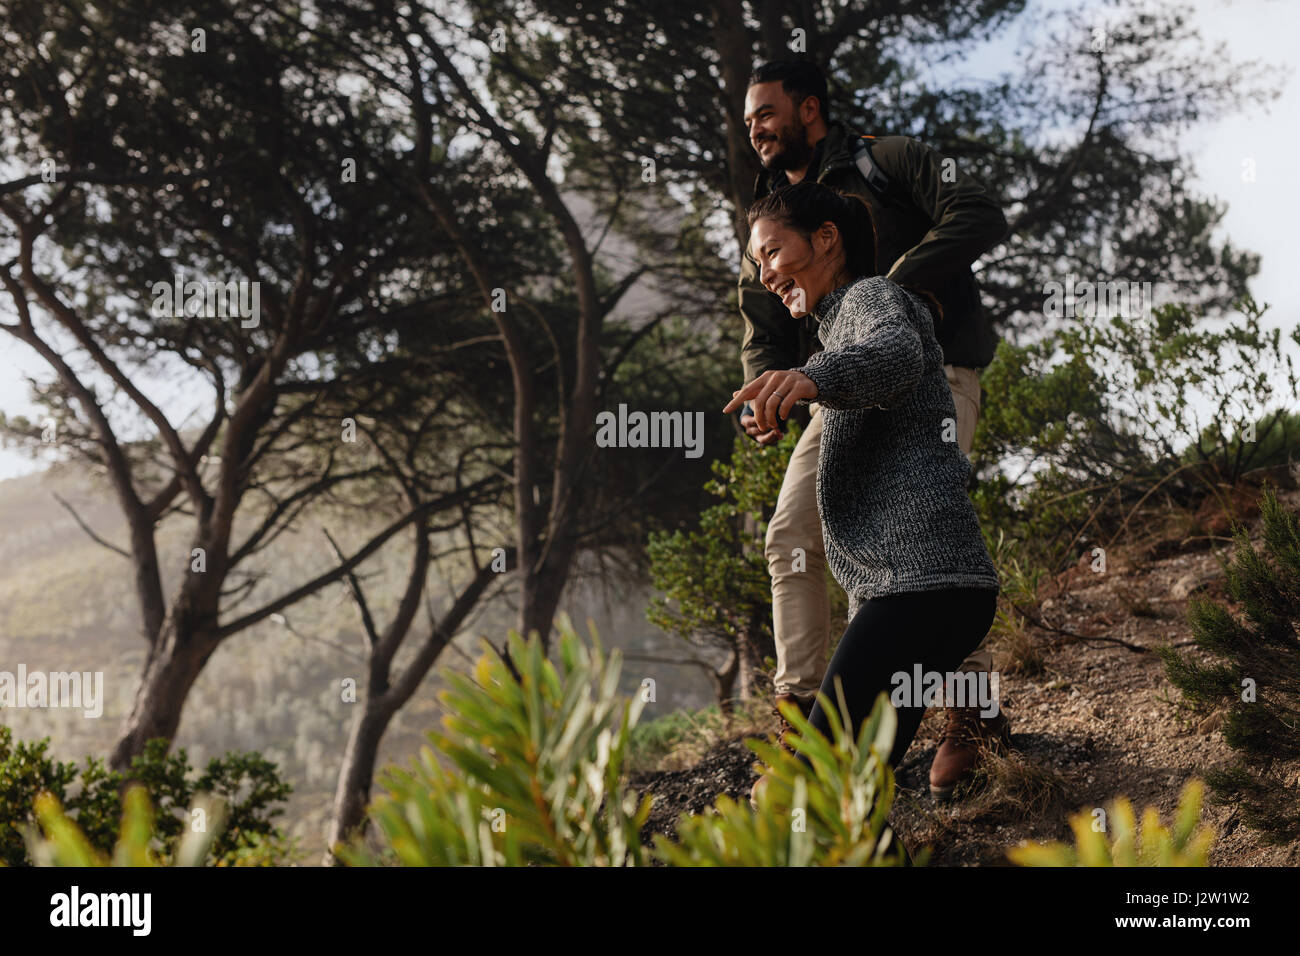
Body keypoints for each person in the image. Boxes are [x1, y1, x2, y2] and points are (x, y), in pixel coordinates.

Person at [737, 59, 1008, 798]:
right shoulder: (773, 215)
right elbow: (765, 323)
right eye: (748, 118)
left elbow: (975, 215)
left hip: (931, 362)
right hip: (833, 380)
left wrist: (899, 285)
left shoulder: (883, 164)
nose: (754, 128)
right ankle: (808, 716)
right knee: (799, 531)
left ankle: (972, 714)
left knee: (921, 525)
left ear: (809, 109)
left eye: (765, 112)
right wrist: (776, 385)